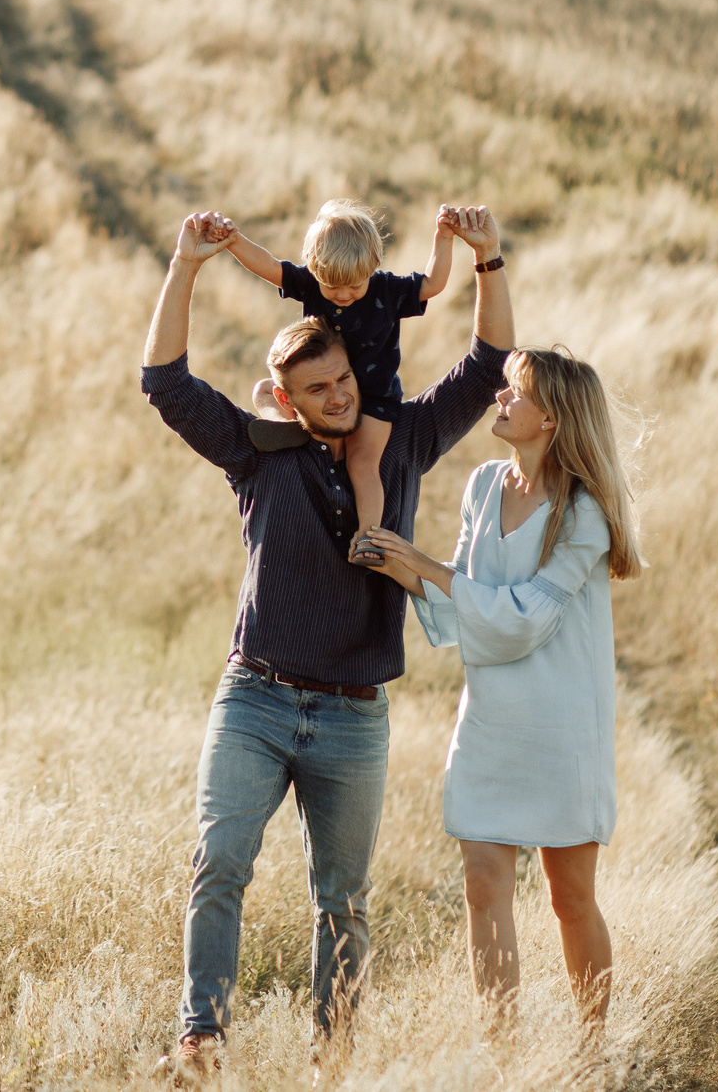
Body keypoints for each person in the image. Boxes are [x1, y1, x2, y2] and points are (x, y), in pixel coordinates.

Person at [139, 203, 511, 1074]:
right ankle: (201, 1038)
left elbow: (489, 364)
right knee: (219, 860)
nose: (340, 396)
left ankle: (333, 1058)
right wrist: (186, 265)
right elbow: (164, 383)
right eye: (320, 390)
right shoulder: (257, 452)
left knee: (342, 901)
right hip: (256, 697)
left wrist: (488, 263)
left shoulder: (405, 438)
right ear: (287, 399)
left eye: (345, 379)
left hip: (353, 715)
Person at [353, 347, 645, 1031]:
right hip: (488, 722)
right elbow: (464, 602)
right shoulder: (484, 484)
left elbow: (522, 621)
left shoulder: (584, 515)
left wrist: (419, 562)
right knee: (484, 886)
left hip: (562, 728)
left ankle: (591, 1046)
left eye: (515, 394)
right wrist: (395, 563)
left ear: (552, 417)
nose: (500, 401)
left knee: (569, 900)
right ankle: (503, 1053)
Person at [215, 200, 458, 555]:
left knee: (362, 462)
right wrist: (234, 241)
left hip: (373, 398)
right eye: (331, 287)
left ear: (373, 266)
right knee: (265, 390)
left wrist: (444, 237)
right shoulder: (311, 283)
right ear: (316, 270)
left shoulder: (389, 291)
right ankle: (288, 424)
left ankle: (369, 537)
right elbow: (268, 267)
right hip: (322, 392)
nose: (342, 295)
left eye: (354, 287)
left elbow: (434, 283)